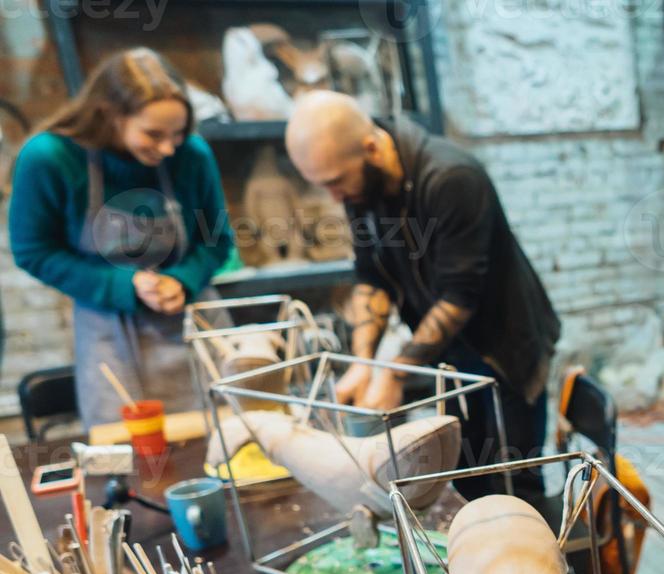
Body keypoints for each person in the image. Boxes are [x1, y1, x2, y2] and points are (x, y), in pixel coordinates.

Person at [284, 92, 560, 504]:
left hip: (505, 350)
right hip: (452, 353)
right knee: (467, 480)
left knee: (512, 485)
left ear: (372, 147)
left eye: (336, 182)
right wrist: (363, 363)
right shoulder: (363, 189)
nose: (334, 198)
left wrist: (393, 374)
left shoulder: (452, 178)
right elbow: (370, 276)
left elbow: (458, 296)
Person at [9, 48, 234, 431]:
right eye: (153, 134)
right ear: (108, 114)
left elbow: (217, 240)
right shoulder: (49, 158)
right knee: (131, 456)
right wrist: (123, 284)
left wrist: (182, 279)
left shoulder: (191, 155)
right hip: (108, 336)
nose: (167, 148)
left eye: (177, 134)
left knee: (230, 436)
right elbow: (34, 252)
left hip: (196, 324)